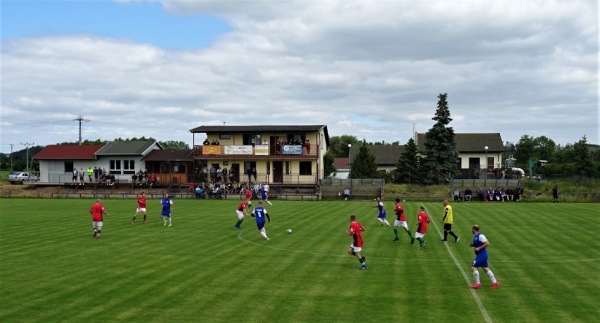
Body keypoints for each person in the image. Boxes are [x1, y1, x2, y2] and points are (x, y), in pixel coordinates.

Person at [468, 224, 500, 289]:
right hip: (482, 255)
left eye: (472, 229)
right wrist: (473, 245)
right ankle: (495, 282)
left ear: (474, 229)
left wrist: (479, 248)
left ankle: (477, 283)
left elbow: (487, 243)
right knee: (486, 269)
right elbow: (478, 244)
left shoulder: (480, 236)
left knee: (473, 267)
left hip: (481, 255)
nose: (472, 230)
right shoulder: (476, 236)